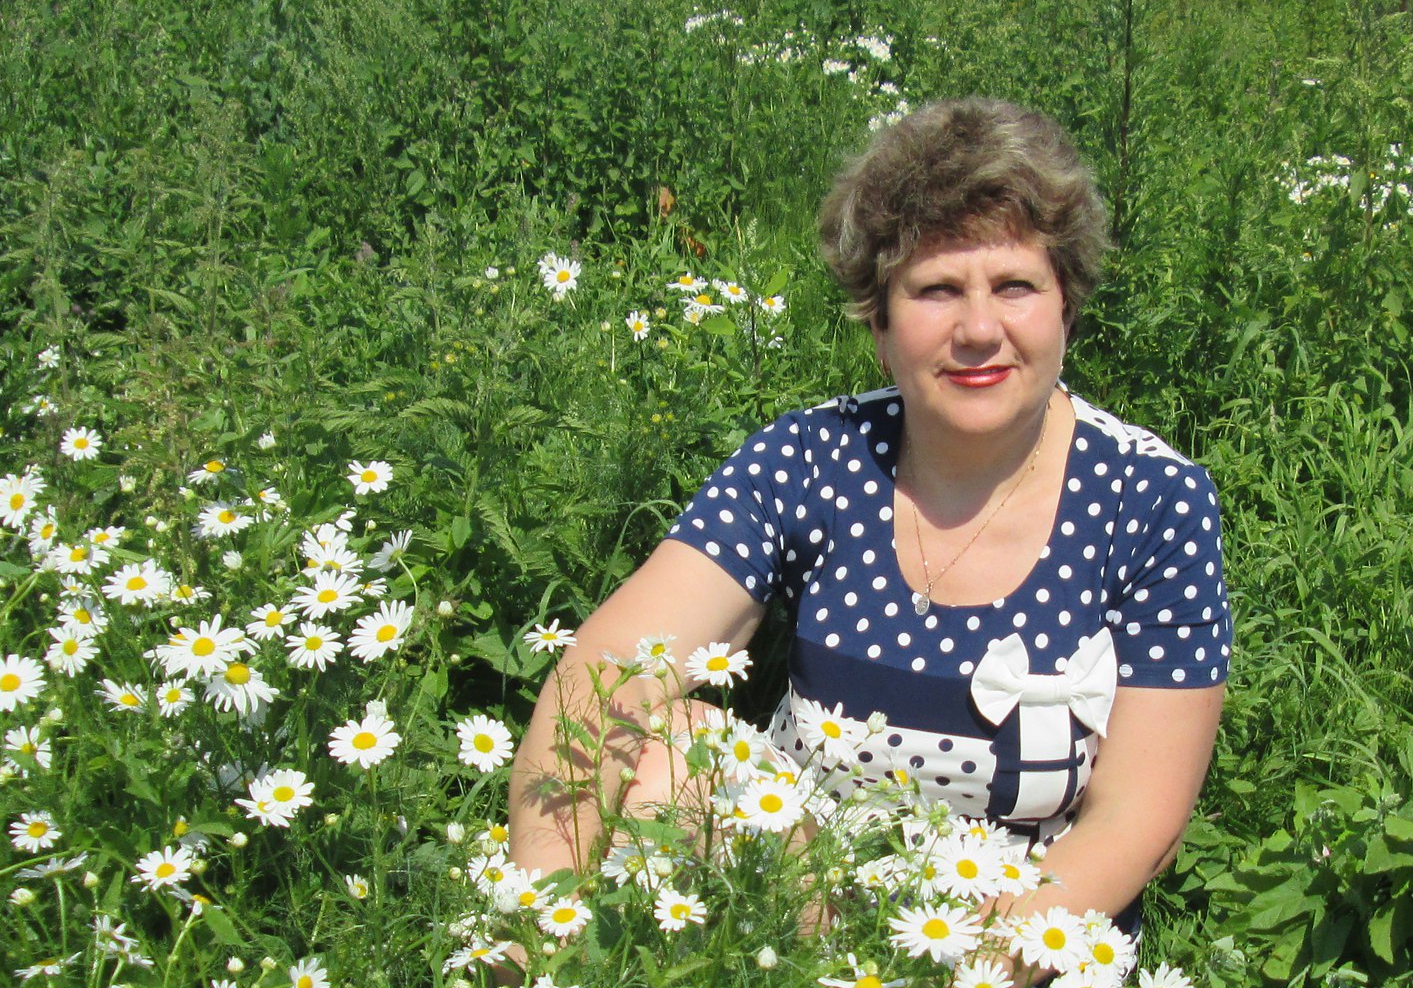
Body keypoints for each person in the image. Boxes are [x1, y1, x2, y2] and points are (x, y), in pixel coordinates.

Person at [506, 98, 1230, 928]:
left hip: (1023, 961)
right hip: (792, 922)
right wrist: (535, 937)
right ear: (880, 326)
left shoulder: (1152, 500)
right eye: (937, 289)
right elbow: (602, 678)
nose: (979, 329)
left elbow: (1138, 821)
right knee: (665, 758)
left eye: (1016, 285)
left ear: (1067, 306)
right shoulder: (814, 459)